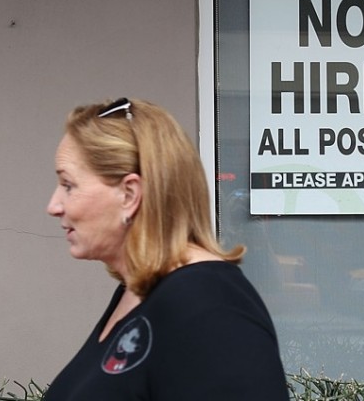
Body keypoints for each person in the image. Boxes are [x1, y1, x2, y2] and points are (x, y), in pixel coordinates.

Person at [43, 97, 290, 400]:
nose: (54, 206)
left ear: (129, 195)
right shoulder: (137, 293)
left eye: (68, 185)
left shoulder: (207, 303)